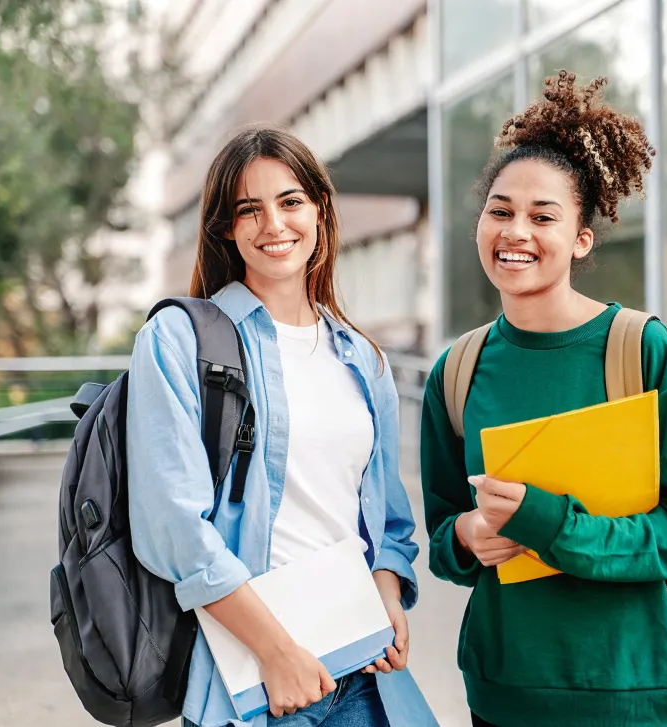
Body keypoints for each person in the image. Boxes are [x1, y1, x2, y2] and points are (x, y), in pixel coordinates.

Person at [419, 72, 667, 727]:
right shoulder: (457, 370)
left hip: (633, 691)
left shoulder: (641, 349)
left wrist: (549, 523)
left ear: (581, 238)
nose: (516, 230)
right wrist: (466, 535)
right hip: (505, 692)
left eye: (543, 215)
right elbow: (442, 536)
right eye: (500, 210)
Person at [126, 126, 435, 727]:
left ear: (319, 210)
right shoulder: (180, 339)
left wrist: (389, 592)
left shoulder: (361, 357)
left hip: (367, 673)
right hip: (257, 684)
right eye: (249, 209)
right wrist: (276, 651)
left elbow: (386, 516)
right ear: (226, 228)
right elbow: (174, 528)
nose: (273, 225)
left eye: (290, 201)